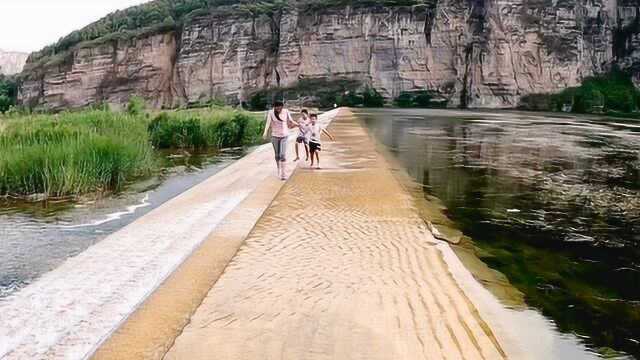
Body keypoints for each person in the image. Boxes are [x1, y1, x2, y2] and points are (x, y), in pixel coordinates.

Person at [263, 101, 298, 180]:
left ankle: (283, 173)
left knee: (282, 155)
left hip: (284, 136)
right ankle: (278, 168)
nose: (279, 109)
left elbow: (291, 121)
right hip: (275, 136)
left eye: (280, 107)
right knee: (277, 155)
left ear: (282, 106)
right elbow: (268, 123)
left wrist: (299, 125)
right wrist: (265, 132)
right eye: (277, 107)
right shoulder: (271, 113)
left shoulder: (286, 111)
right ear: (274, 107)